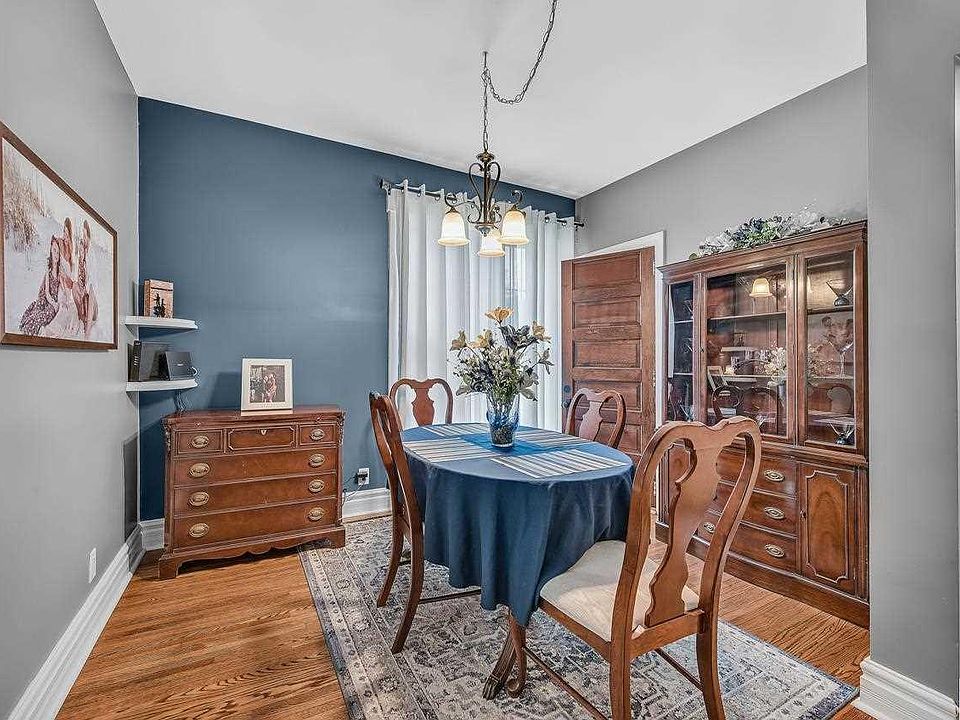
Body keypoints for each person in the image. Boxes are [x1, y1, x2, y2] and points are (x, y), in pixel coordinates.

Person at [19, 233, 66, 336]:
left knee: (48, 313)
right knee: (37, 313)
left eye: (58, 252)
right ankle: (30, 327)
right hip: (45, 299)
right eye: (54, 250)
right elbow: (47, 293)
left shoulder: (60, 272)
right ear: (51, 250)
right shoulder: (48, 271)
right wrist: (53, 304)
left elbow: (62, 289)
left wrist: (57, 303)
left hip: (53, 301)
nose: (56, 255)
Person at [72, 220, 98, 337]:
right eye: (82, 235)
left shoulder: (91, 257)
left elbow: (92, 282)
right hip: (83, 298)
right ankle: (81, 316)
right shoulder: (80, 262)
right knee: (74, 286)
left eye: (85, 235)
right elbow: (78, 281)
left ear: (88, 236)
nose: (84, 238)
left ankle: (87, 329)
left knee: (90, 290)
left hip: (92, 305)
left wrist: (85, 291)